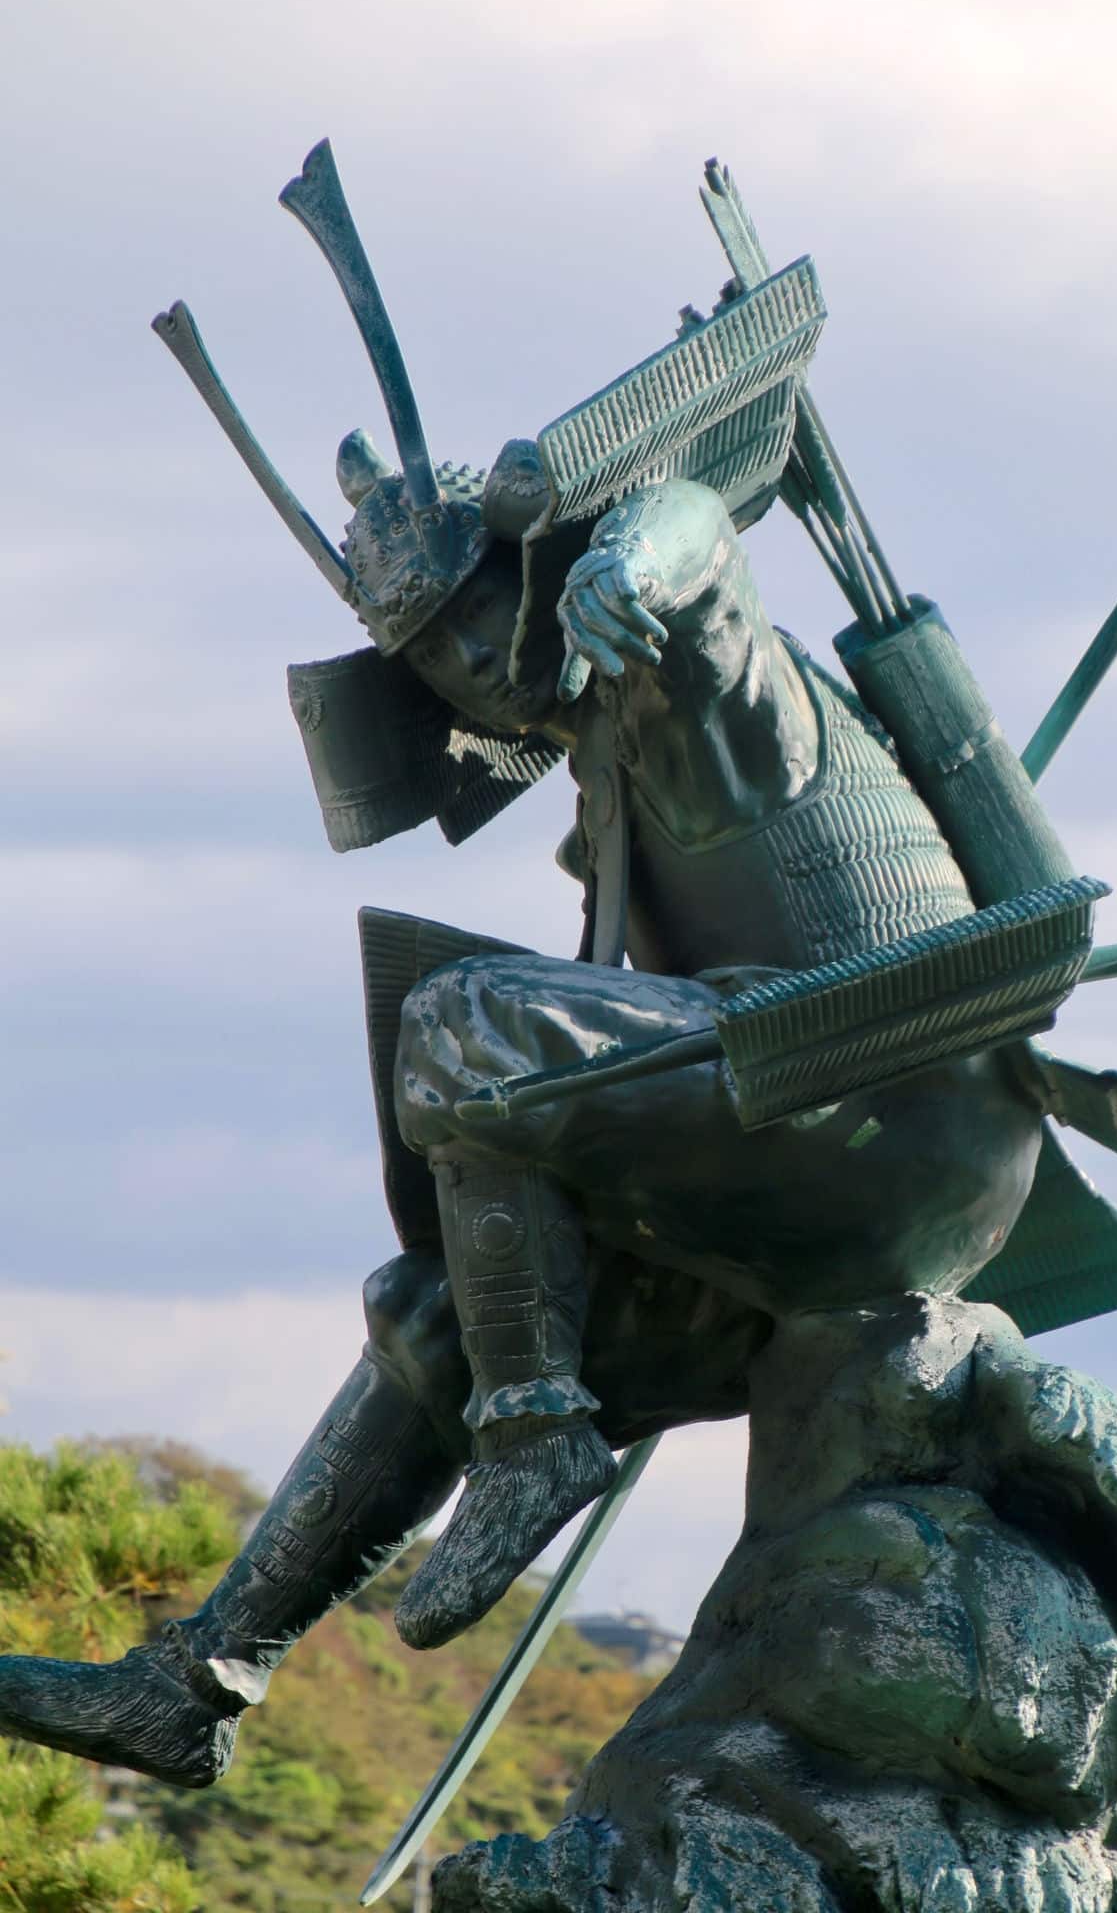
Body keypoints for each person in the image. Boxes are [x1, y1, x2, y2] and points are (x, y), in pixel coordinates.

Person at [0, 448, 1042, 1788]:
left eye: (483, 626)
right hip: (805, 1188)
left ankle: (537, 1435)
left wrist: (627, 565)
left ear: (539, 581)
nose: (477, 673)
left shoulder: (705, 685)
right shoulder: (602, 776)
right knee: (444, 1315)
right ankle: (195, 1682)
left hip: (883, 1104)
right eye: (438, 660)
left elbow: (698, 532)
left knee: (465, 1024)